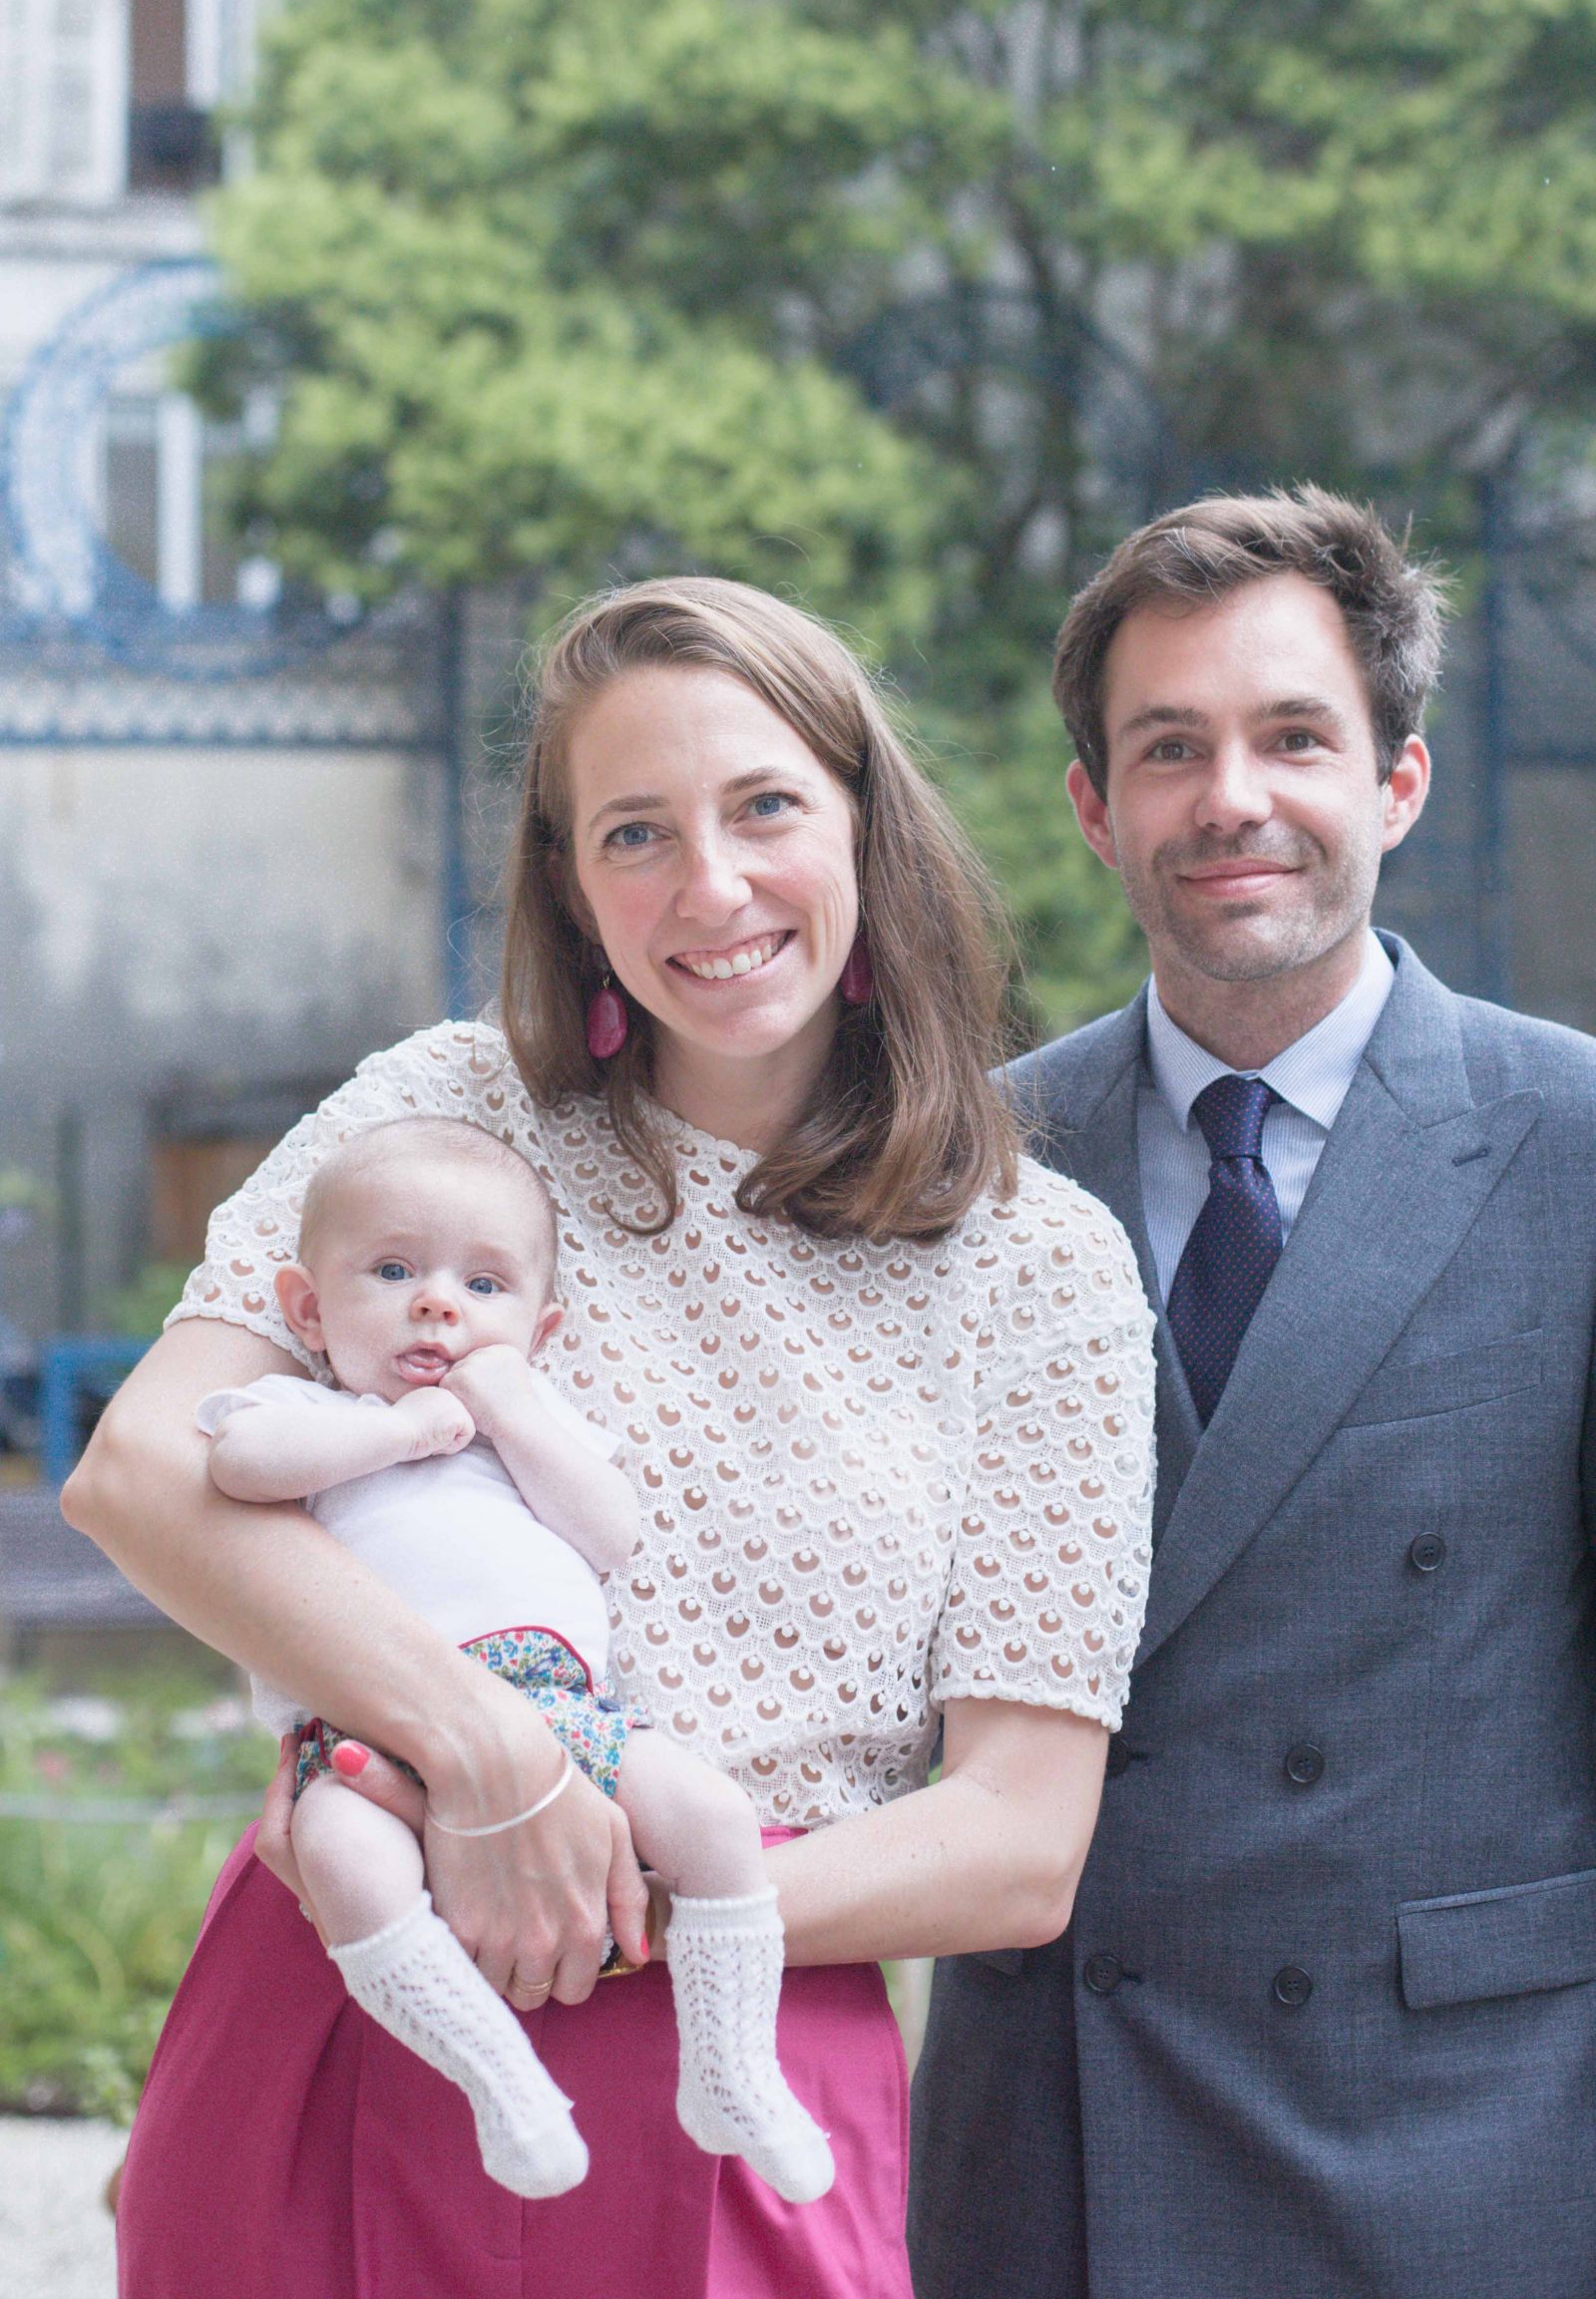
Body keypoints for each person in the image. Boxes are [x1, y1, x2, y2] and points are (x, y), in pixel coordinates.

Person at [65, 575, 1157, 2299]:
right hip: (352, 1992)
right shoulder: (446, 1107)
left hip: (740, 2064)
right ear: (571, 888)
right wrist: (491, 1768)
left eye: (765, 806)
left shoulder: (1039, 1264)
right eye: (635, 832)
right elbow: (143, 1471)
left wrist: (599, 1886)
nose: (709, 887)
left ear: (865, 827)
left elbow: (1021, 1845)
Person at [910, 487, 1596, 2299]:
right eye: (1169, 748)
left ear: (1398, 782)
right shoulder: (966, 1169)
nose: (1231, 798)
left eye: (1294, 736)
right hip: (1058, 2138)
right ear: (1094, 809)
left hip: (1464, 2139)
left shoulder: (1578, 1146)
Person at [200, 1114, 831, 2205]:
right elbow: (241, 1465)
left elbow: (610, 1531)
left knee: (715, 1822)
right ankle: (504, 2085)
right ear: (307, 1308)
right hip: (363, 1725)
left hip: (557, 1708)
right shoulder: (308, 1410)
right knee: (344, 1866)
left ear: (539, 1329)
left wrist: (511, 1411)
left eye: (482, 1285)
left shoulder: (534, 1427)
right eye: (392, 1271)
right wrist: (400, 1432)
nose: (437, 1303)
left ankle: (733, 2068)